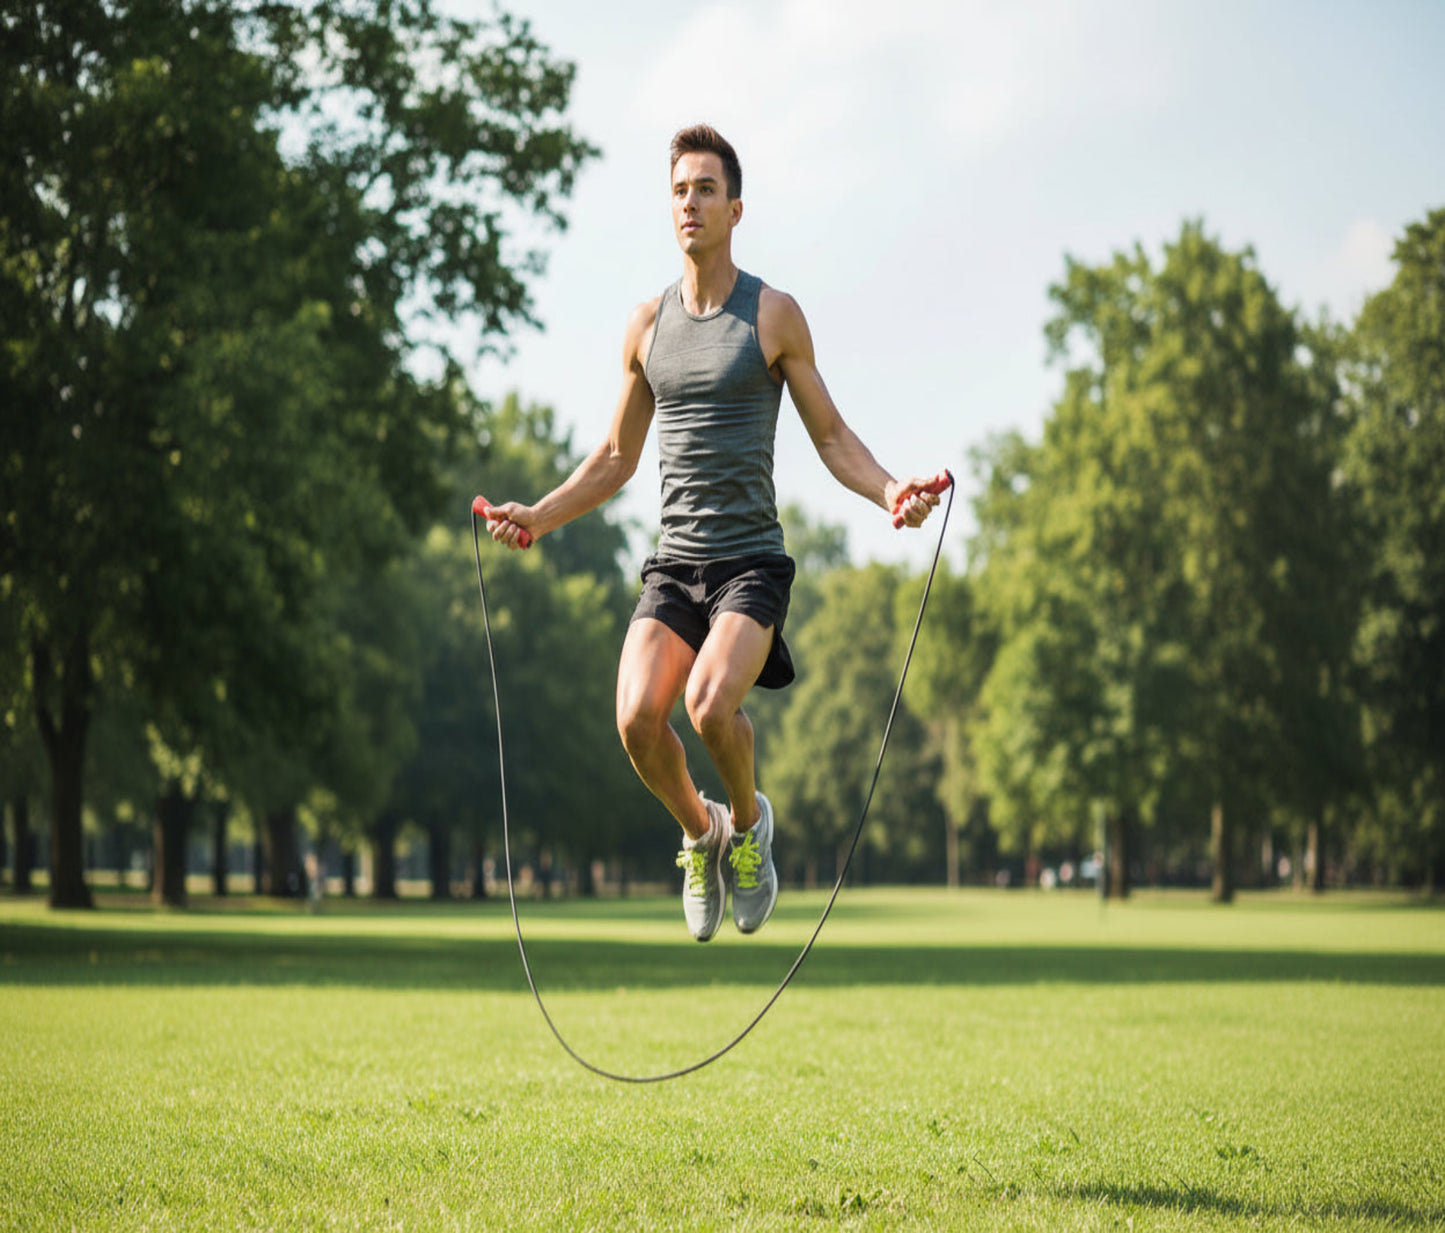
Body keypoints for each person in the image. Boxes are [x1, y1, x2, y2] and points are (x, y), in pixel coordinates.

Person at [482, 124, 941, 942]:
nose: (688, 202)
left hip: (749, 566)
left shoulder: (771, 315)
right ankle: (702, 832)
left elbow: (832, 439)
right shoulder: (645, 326)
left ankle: (749, 826)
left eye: (703, 189)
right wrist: (539, 516)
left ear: (735, 207)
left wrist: (889, 492)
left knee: (705, 704)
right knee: (633, 721)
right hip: (674, 567)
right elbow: (616, 456)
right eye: (677, 191)